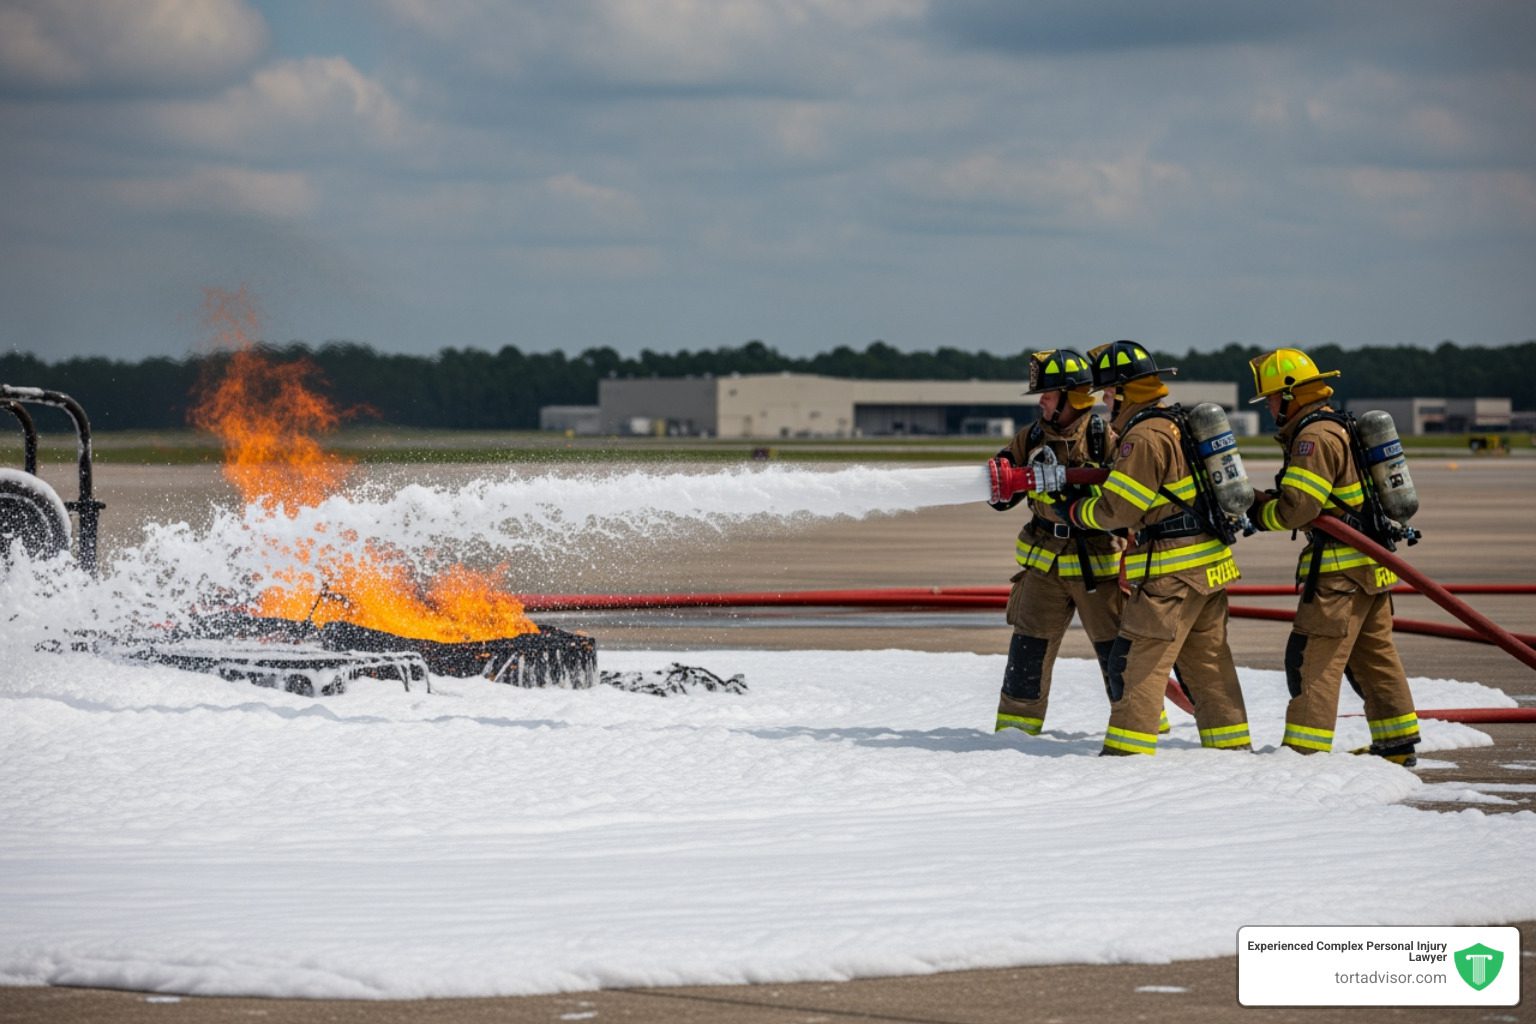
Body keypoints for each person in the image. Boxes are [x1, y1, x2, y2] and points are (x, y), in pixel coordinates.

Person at [1059, 340, 1251, 756]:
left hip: (1172, 574)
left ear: (1127, 391)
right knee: (1209, 666)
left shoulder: (1143, 437)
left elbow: (1118, 509)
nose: (1105, 401)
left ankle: (1126, 755)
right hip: (1209, 567)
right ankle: (1231, 754)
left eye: (1109, 393)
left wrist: (1075, 513)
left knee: (1137, 663)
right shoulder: (1177, 423)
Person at [1246, 347, 1420, 765]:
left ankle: (1305, 753)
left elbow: (1300, 508)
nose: (1270, 407)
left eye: (1271, 398)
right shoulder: (1337, 426)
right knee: (1374, 658)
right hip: (1369, 567)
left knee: (1311, 661)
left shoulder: (1313, 437)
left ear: (1290, 395)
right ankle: (1396, 747)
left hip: (1340, 575)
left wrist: (1259, 511)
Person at [988, 347, 1150, 736]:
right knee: (1027, 653)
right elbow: (1002, 496)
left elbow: (1127, 500)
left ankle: (1144, 727)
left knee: (1117, 655)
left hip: (1098, 568)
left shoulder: (1105, 439)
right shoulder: (1029, 438)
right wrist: (1001, 482)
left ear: (1072, 397)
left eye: (1048, 393)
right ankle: (1014, 736)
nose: (1041, 401)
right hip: (1044, 567)